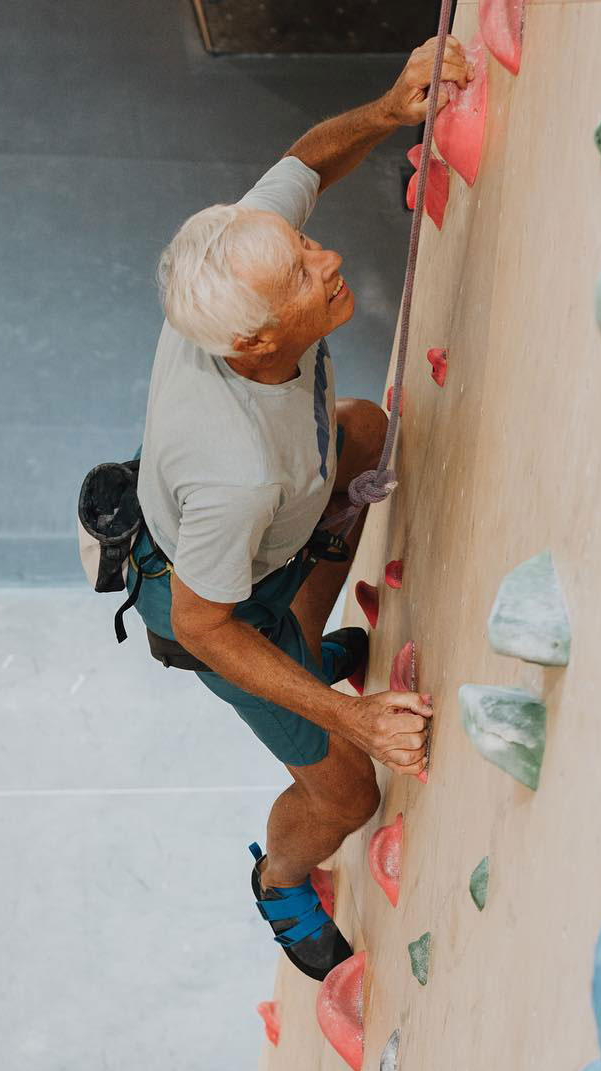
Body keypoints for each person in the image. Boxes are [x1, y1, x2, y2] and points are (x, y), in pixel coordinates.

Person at [130, 35, 469, 980]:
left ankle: (309, 656)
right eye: (304, 272)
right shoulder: (235, 467)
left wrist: (389, 107)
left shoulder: (242, 269)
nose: (327, 260)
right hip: (210, 602)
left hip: (264, 531)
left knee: (358, 430)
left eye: (307, 249)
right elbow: (204, 620)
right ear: (257, 338)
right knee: (348, 795)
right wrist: (349, 721)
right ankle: (278, 878)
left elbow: (307, 161)